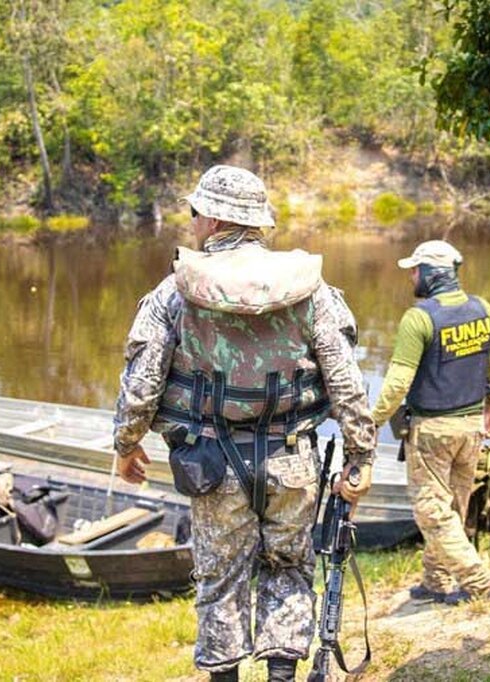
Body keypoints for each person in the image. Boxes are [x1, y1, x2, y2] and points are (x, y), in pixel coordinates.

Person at [113, 165, 376, 682]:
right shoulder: (310, 288)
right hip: (293, 459)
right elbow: (346, 380)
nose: (191, 223)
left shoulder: (176, 290)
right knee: (290, 570)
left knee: (220, 581)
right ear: (255, 222)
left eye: (194, 213)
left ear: (212, 219)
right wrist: (361, 454)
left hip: (211, 463)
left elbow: (142, 380)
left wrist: (126, 442)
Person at [370, 240, 490, 605]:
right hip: (470, 427)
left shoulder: (420, 318)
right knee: (453, 508)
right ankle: (436, 579)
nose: (411, 276)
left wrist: (371, 421)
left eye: (414, 269)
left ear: (430, 274)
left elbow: (398, 381)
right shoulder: (483, 309)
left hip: (432, 430)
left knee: (431, 510)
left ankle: (478, 581)